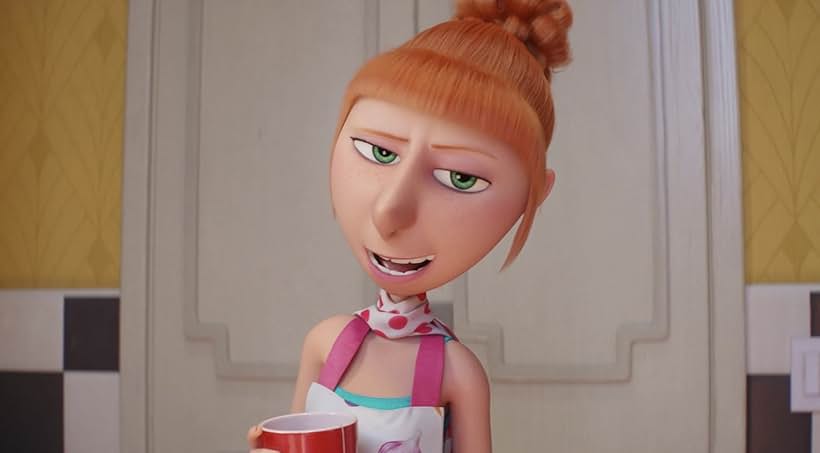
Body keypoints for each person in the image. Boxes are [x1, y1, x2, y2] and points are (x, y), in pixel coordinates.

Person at [249, 0, 572, 451]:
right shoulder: (325, 342)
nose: (390, 210)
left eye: (460, 178)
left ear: (530, 196)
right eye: (380, 152)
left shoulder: (457, 373)